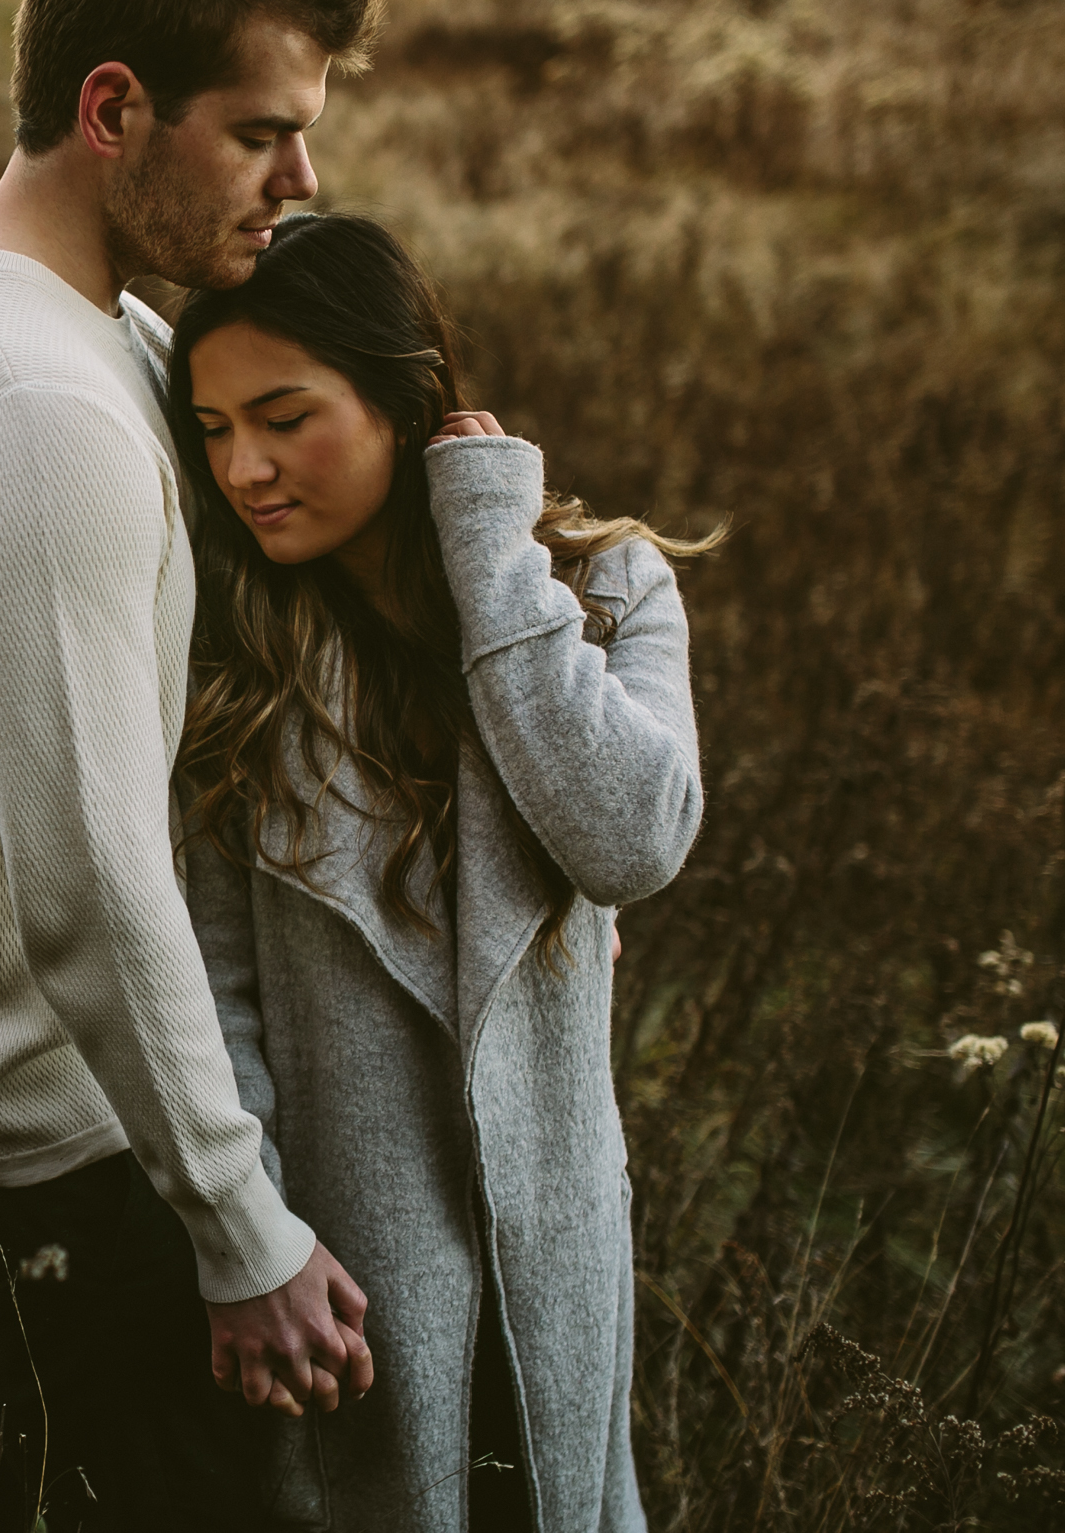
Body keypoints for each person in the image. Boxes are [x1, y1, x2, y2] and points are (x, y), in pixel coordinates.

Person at [0, 2, 382, 1527]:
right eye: (262, 134)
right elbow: (88, 886)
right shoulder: (31, 416)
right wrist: (239, 1226)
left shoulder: (74, 333)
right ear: (114, 109)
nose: (301, 177)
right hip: (55, 1159)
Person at [173, 210, 717, 1530]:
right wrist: (248, 1243)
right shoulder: (234, 664)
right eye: (214, 428)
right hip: (345, 1284)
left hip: (558, 1261)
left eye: (286, 416)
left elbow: (631, 837)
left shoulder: (612, 591)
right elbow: (213, 991)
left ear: (409, 400)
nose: (245, 466)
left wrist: (488, 550)